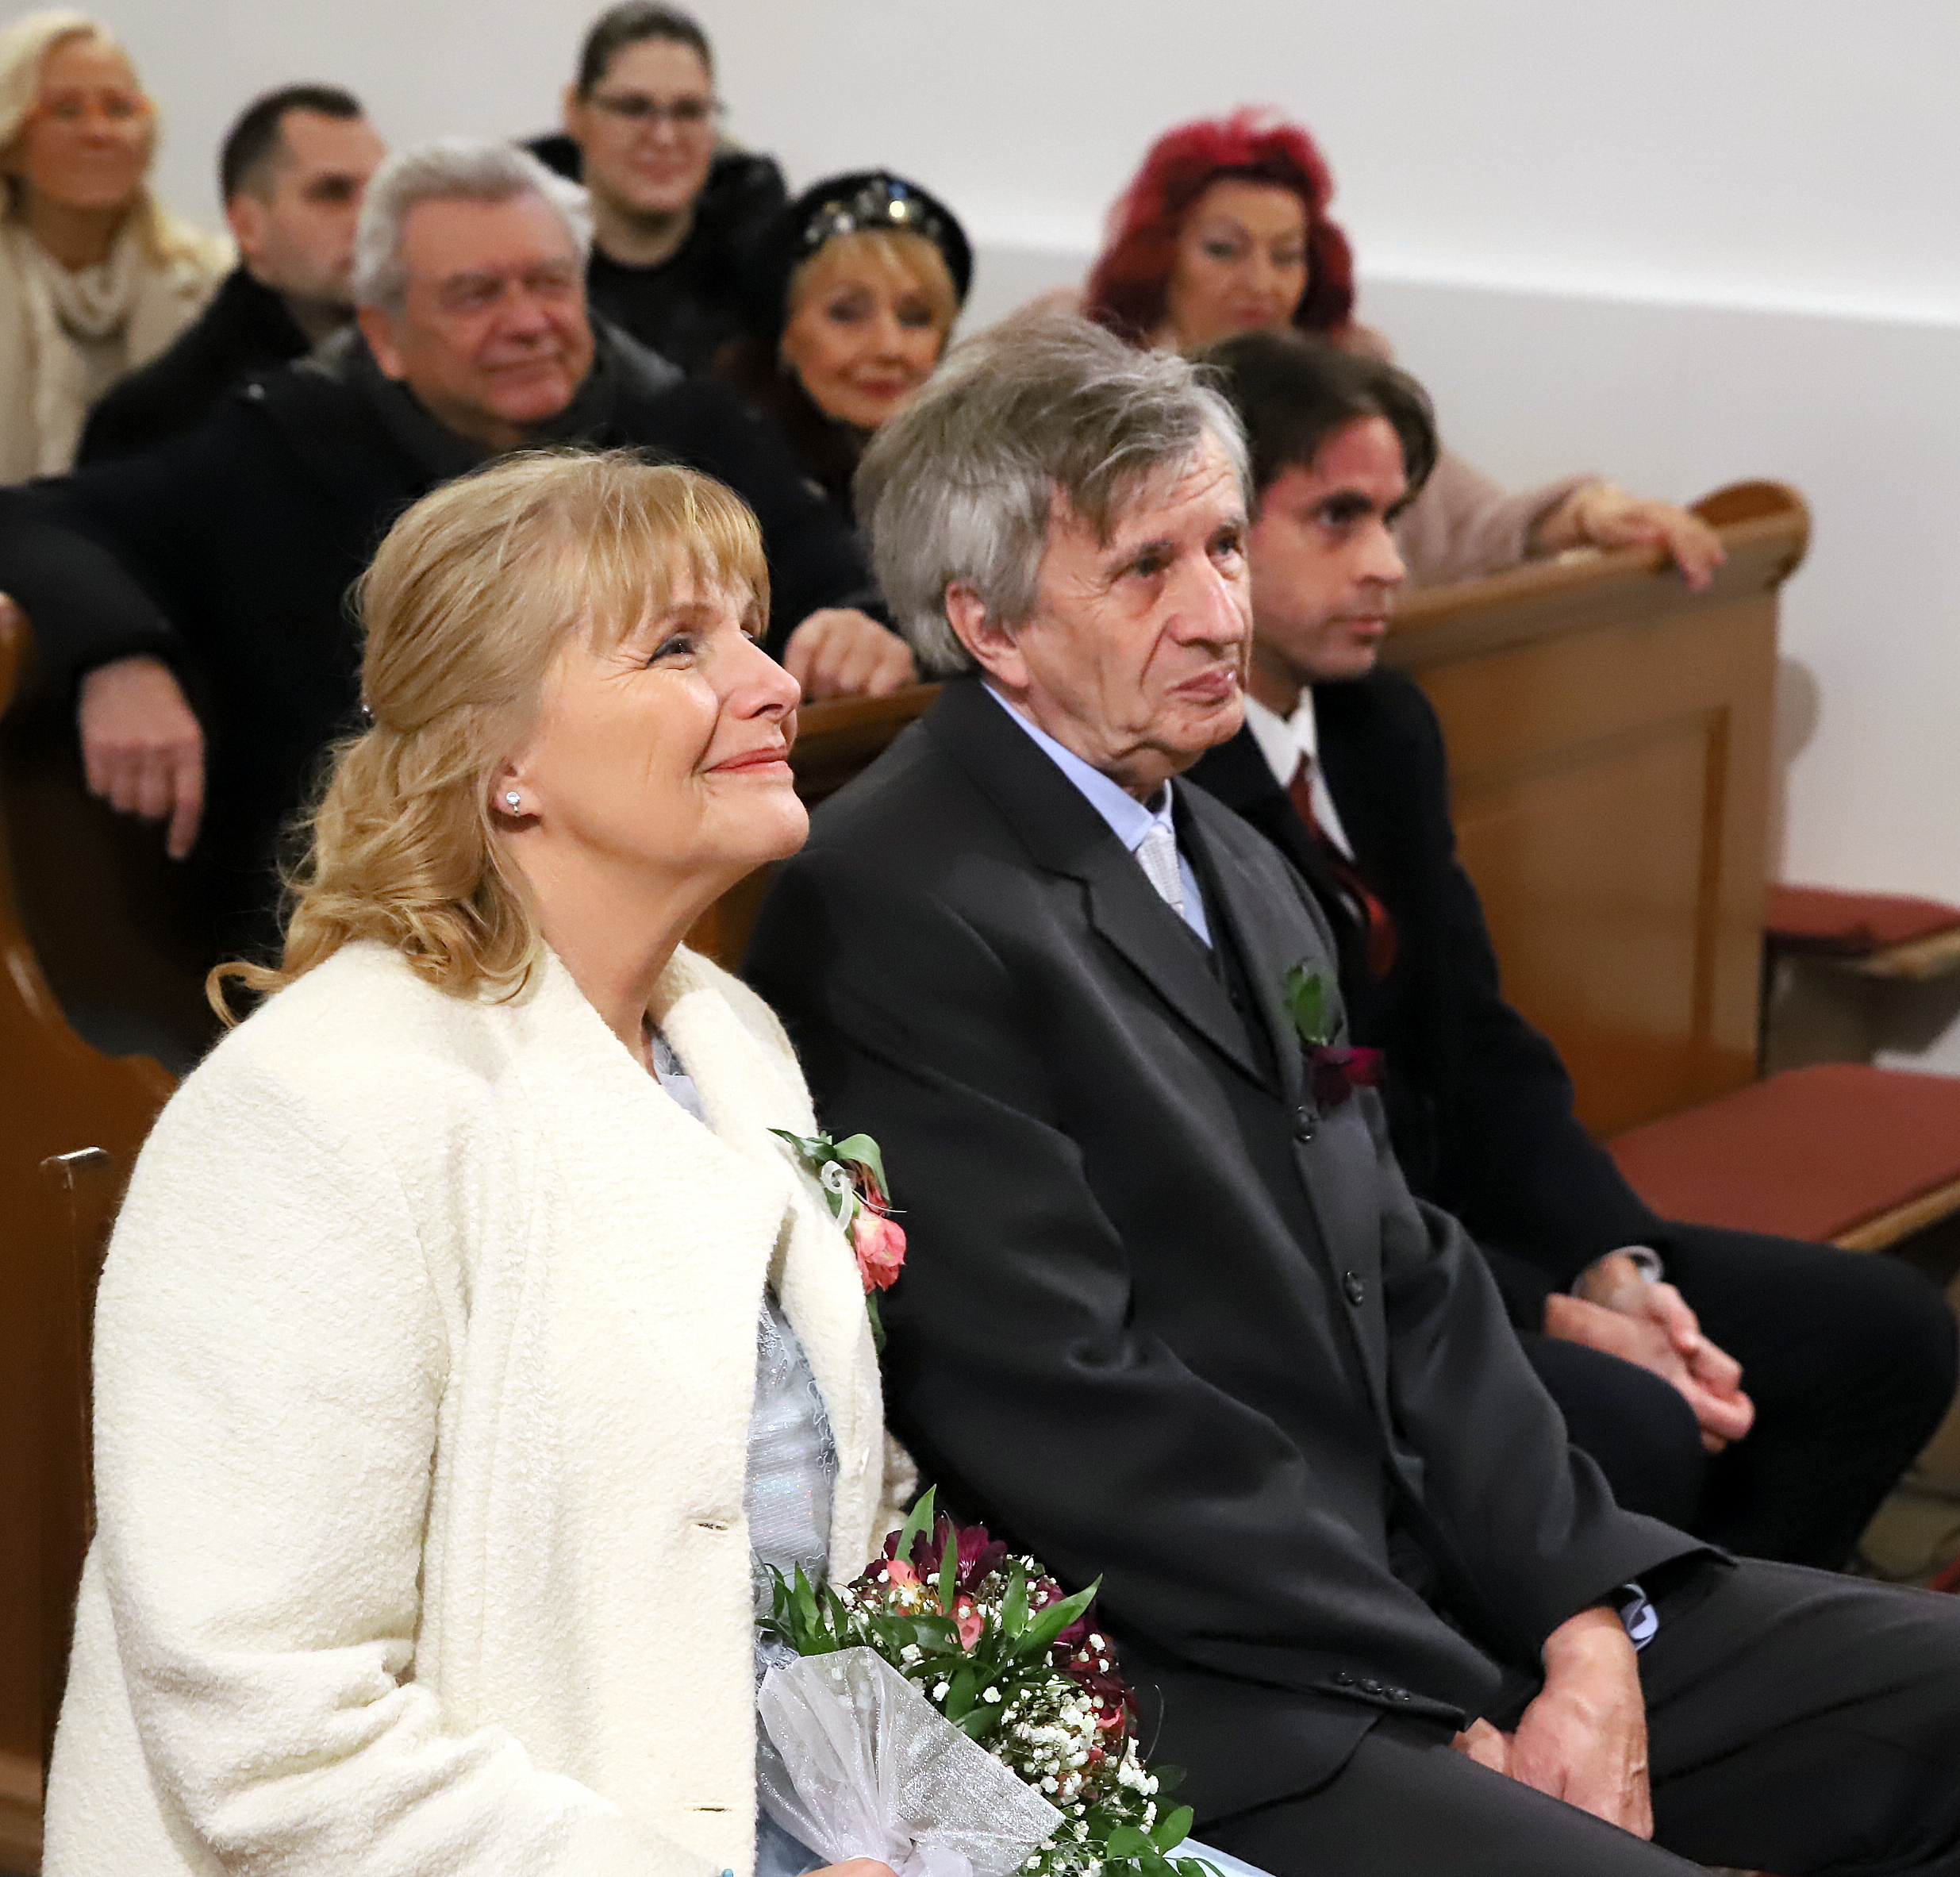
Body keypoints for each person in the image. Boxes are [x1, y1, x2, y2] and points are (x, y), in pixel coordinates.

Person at [744, 314, 1960, 1877]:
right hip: (1223, 1681)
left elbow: (1413, 1273)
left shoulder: (1231, 854)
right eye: (1144, 569)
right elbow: (1067, 1405)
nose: (1218, 612)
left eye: (1221, 547)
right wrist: (1441, 1686)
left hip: (1445, 1593)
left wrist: (1582, 1618)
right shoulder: (894, 902)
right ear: (991, 627)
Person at [42, 447, 909, 1877]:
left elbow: (831, 1528)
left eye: (752, 633)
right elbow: (278, 1739)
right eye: (679, 647)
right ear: (503, 766)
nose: (771, 684)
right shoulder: (318, 1113)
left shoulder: (726, 1035)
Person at [1181, 326, 1956, 1565]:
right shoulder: (1181, 785)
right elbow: (1286, 1146)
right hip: (1346, 1274)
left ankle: (1726, 1633)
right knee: (1632, 1422)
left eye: (1392, 516)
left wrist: (1611, 1260)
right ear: (1215, 532)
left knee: (1882, 1334)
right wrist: (1538, 1304)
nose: (1388, 563)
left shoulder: (1379, 728)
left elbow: (1480, 1040)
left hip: (1484, 1219)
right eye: (1336, 518)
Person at [0, 140, 913, 959]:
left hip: (668, 933)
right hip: (365, 942)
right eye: (477, 294)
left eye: (550, 283)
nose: (528, 321)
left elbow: (845, 578)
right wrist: (121, 654)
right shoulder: (274, 446)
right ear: (383, 334)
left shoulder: (681, 428)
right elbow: (33, 519)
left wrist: (857, 622)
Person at [1081, 110, 1723, 590]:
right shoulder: (1090, 391)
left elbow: (1469, 521)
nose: (1261, 281)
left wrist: (1590, 511)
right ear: (1161, 257)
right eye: (1224, 249)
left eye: (1287, 255)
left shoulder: (1342, 392)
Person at [79, 83, 387, 462]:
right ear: (247, 226)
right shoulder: (161, 418)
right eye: (332, 193)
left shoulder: (423, 373)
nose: (369, 221)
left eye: (383, 195)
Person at [0, 9, 229, 481]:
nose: (99, 132)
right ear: (12, 141)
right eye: (66, 111)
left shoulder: (215, 286)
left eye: (120, 109)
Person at [532, 1, 784, 372]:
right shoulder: (510, 259)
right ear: (574, 111)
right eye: (634, 108)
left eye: (689, 111)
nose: (664, 137)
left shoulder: (768, 268)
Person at [714, 170, 970, 524]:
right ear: (784, 332)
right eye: (847, 314)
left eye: (915, 318)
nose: (889, 347)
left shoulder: (979, 486)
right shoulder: (716, 495)